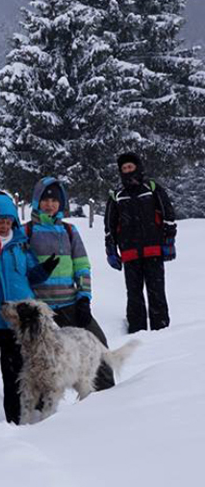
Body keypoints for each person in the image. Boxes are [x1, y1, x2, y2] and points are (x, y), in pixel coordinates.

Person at [26, 177, 114, 390]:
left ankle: (109, 397)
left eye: (55, 200)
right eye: (45, 200)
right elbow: (22, 272)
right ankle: (41, 415)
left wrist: (84, 298)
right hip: (41, 311)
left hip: (70, 305)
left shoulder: (69, 231)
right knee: (42, 362)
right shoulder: (26, 231)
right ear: (37, 201)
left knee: (98, 347)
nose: (50, 204)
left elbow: (82, 266)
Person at [0, 194, 52, 424]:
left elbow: (30, 274)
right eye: (0, 221)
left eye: (9, 221)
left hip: (15, 323)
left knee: (15, 374)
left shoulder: (20, 244)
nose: (5, 225)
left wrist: (44, 270)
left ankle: (14, 419)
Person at [104, 152, 177, 333]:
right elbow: (109, 227)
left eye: (131, 167)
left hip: (154, 250)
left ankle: (162, 331)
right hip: (130, 254)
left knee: (157, 293)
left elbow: (168, 215)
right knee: (134, 295)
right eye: (124, 168)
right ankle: (136, 331)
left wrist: (169, 241)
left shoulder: (152, 188)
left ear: (138, 167)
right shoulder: (117, 196)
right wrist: (111, 251)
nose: (128, 170)